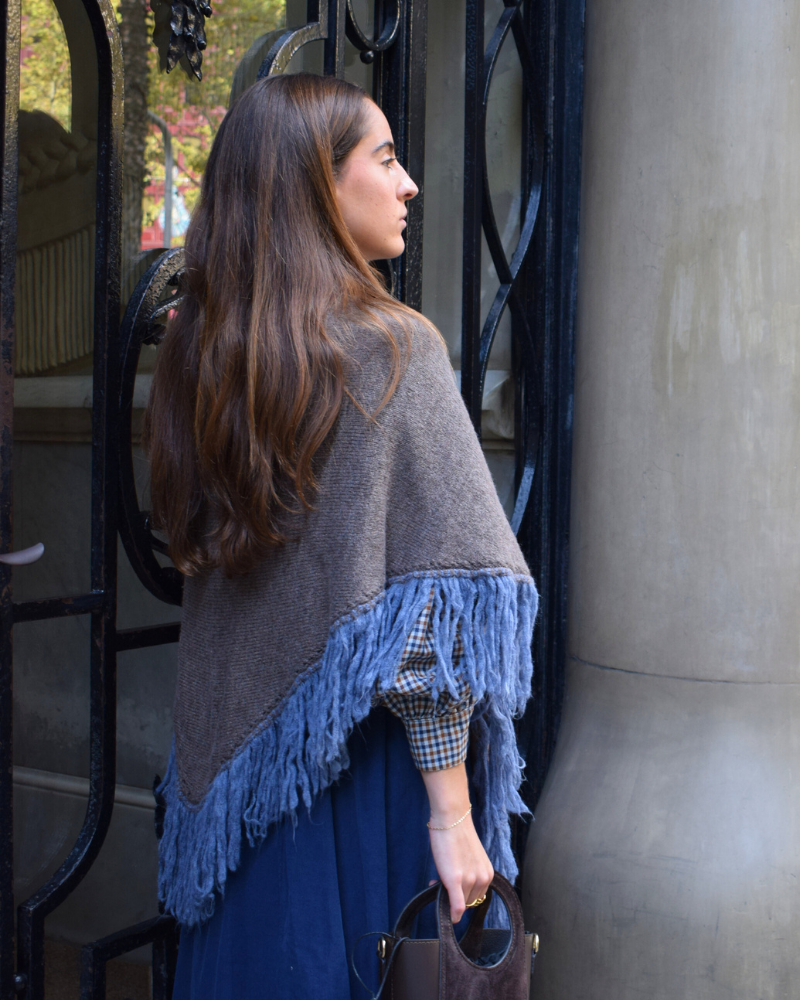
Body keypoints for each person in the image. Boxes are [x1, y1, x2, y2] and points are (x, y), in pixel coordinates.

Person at [144, 73, 537, 1000]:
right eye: (386, 158)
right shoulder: (393, 348)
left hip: (246, 785)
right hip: (363, 780)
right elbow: (427, 620)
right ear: (316, 184)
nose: (408, 185)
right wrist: (453, 815)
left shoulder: (202, 350)